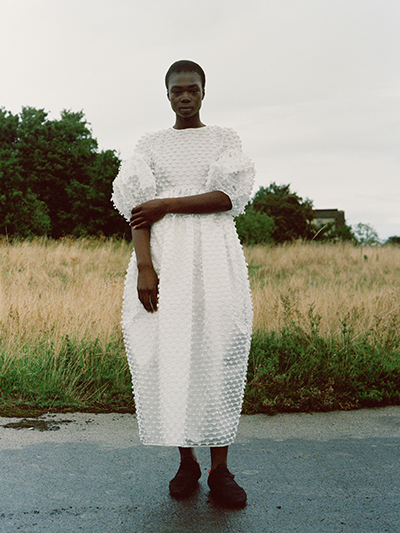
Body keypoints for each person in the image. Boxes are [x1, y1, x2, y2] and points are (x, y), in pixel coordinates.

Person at [111, 60, 255, 508]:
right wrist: (145, 267)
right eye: (178, 90)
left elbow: (226, 197)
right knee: (172, 353)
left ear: (204, 92)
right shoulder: (150, 144)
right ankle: (186, 462)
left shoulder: (224, 139)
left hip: (214, 259)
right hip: (166, 260)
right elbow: (138, 210)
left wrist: (166, 204)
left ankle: (220, 469)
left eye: (193, 89)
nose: (185, 96)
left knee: (219, 351)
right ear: (168, 95)